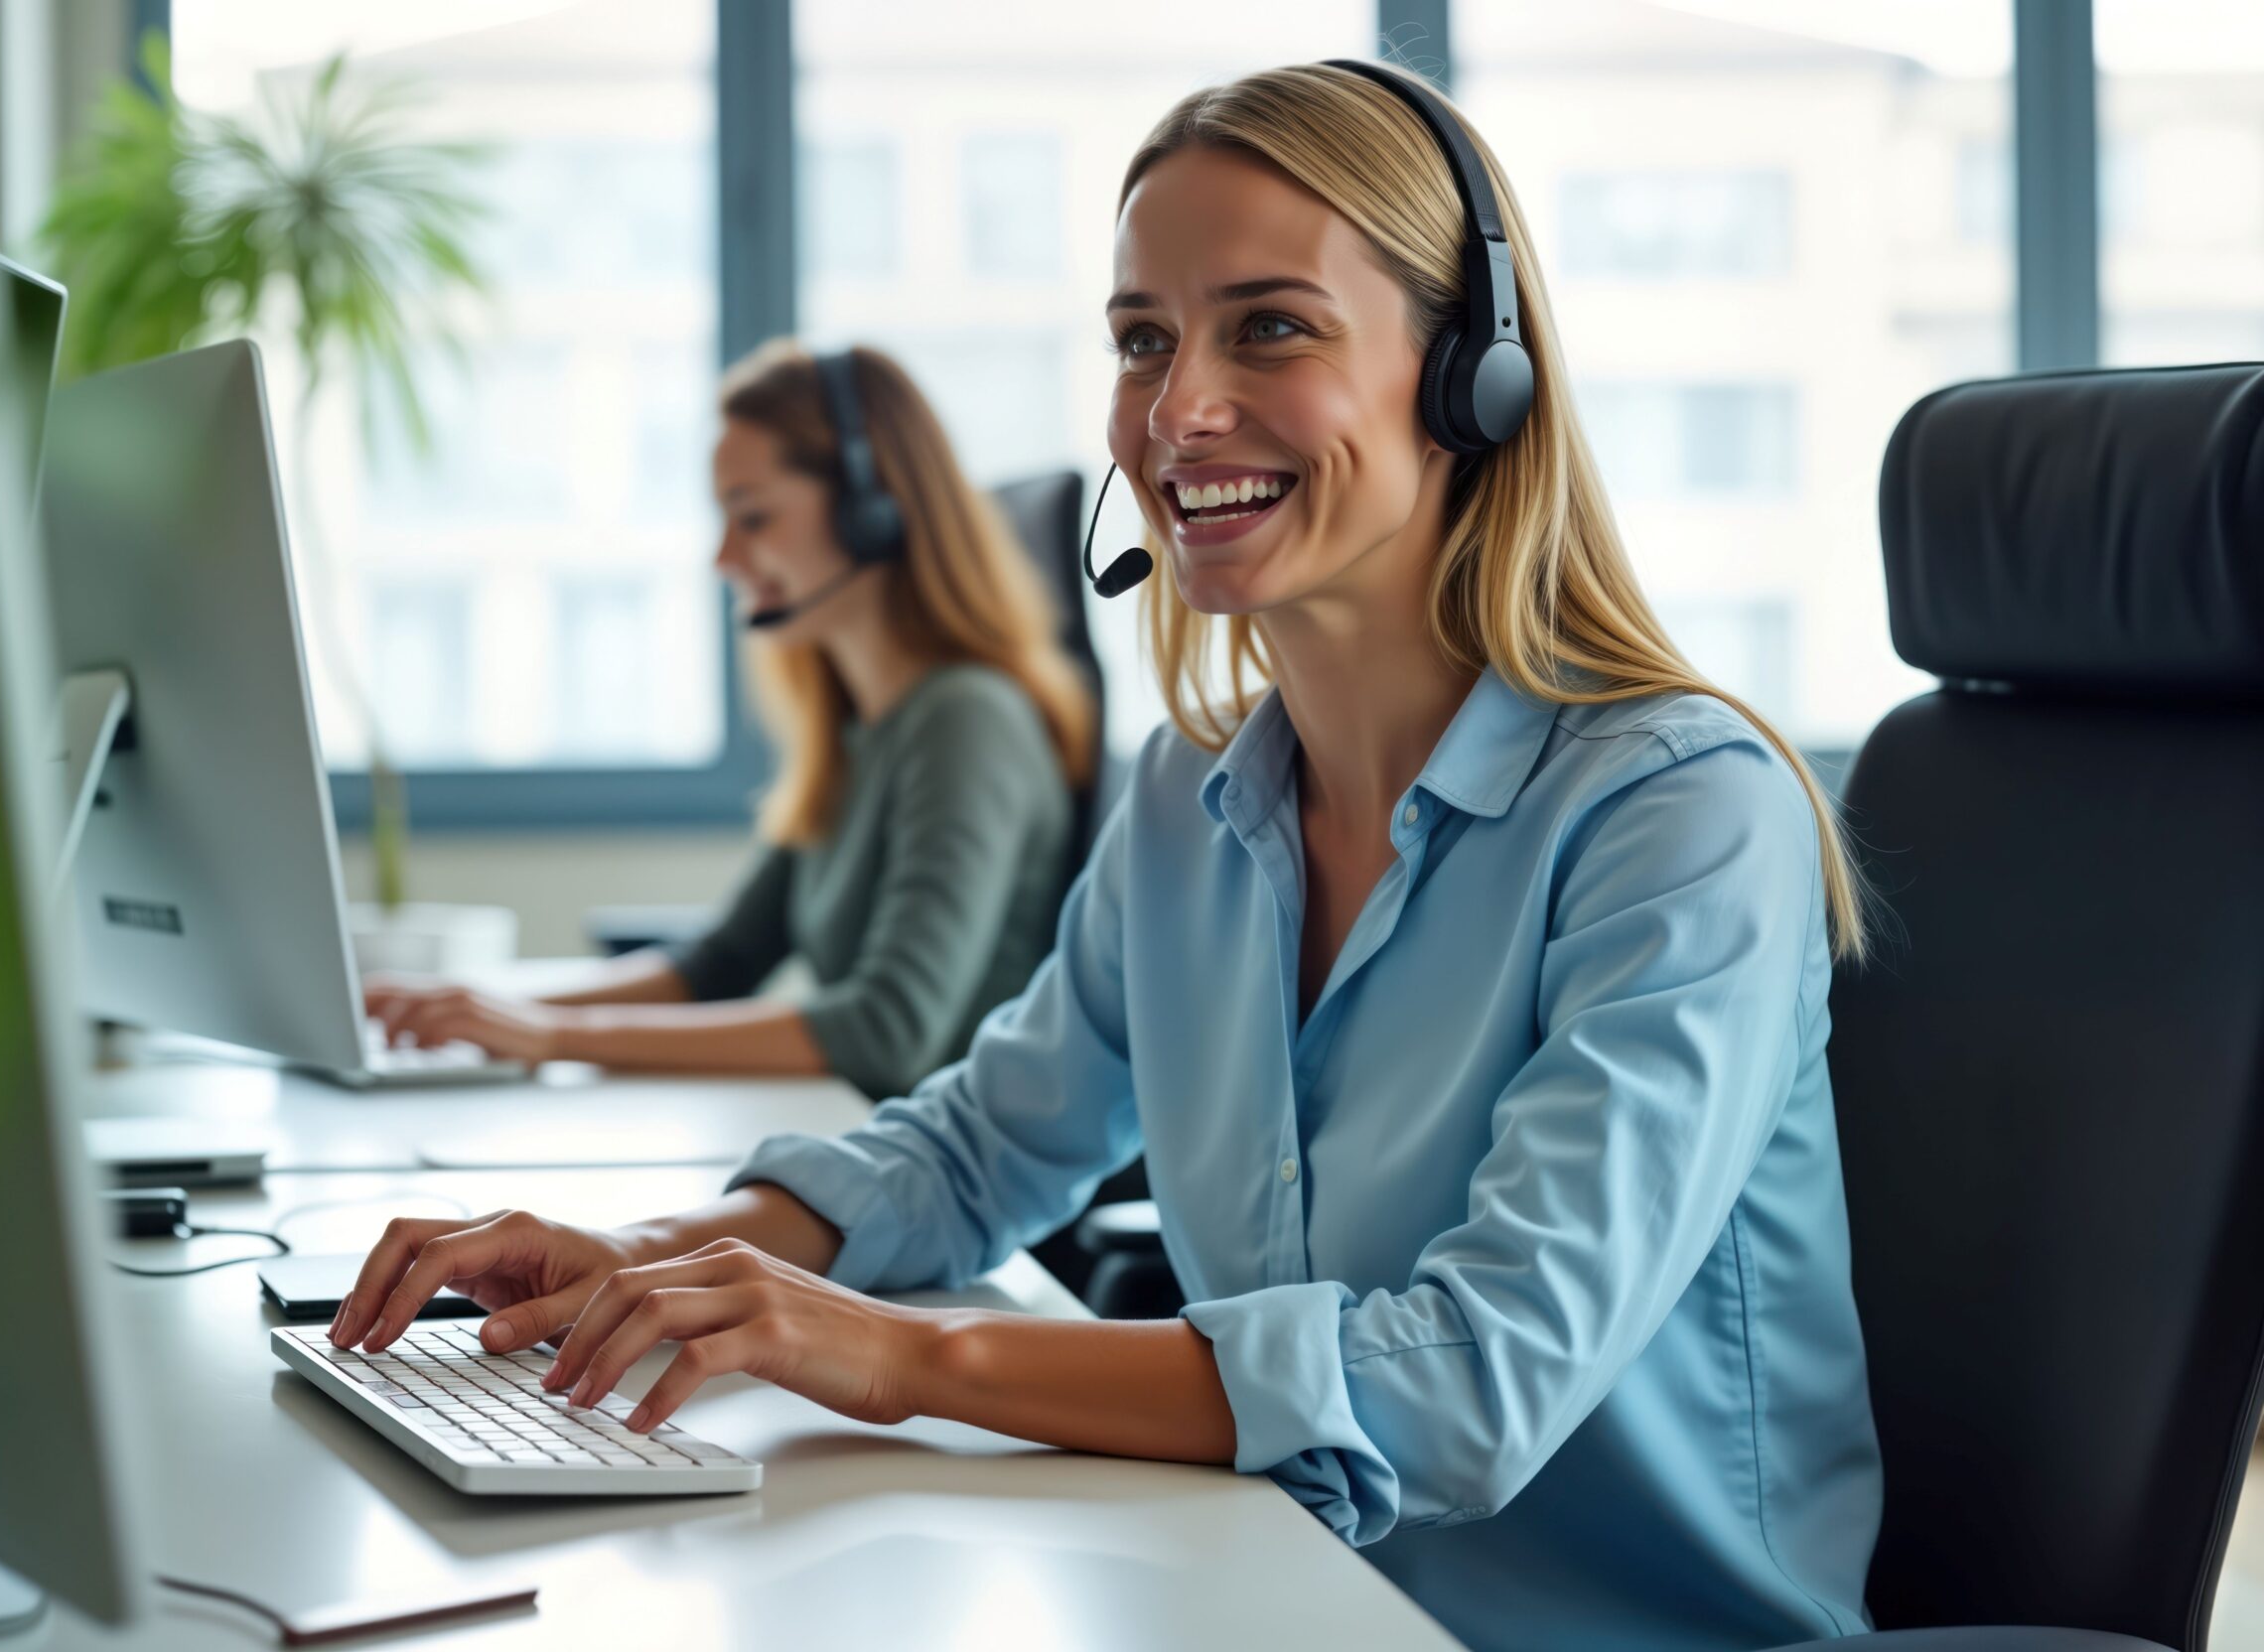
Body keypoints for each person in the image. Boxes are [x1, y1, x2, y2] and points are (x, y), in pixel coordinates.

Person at [335, 62, 1882, 1652]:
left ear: (1467, 374)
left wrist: (901, 1358)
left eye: (1270, 327)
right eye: (1144, 340)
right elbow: (975, 1151)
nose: (1177, 411)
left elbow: (1471, 1383)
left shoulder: (1682, 819)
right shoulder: (1191, 800)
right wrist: (650, 1260)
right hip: (1271, 1597)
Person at [365, 343, 1097, 1100]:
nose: (723, 555)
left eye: (753, 516)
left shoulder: (966, 721)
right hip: (869, 1147)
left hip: (955, 1188)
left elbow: (887, 1031)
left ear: (872, 510)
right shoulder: (859, 729)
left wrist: (550, 1038)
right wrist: (479, 1009)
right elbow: (718, 964)